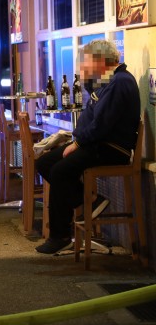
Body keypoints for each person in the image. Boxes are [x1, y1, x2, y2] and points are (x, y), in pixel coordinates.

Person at [34, 39, 140, 254]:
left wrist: (78, 142)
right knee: (45, 163)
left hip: (111, 148)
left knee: (60, 171)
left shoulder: (120, 82)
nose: (82, 67)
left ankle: (60, 235)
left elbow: (102, 124)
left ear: (101, 60)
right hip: (98, 143)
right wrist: (85, 80)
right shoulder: (106, 82)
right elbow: (92, 113)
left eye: (85, 62)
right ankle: (90, 200)